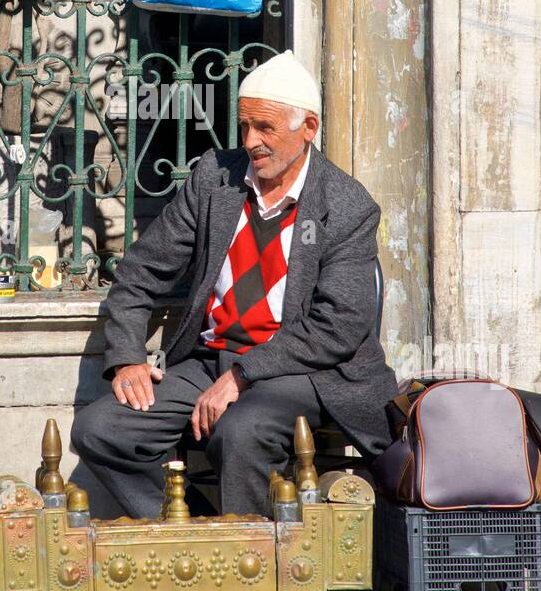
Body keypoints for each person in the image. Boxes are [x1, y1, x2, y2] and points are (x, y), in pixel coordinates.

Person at [71, 50, 399, 517]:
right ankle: (195, 533)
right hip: (209, 361)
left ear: (308, 128)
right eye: (244, 126)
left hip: (299, 371)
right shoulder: (214, 179)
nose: (251, 141)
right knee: (100, 429)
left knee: (241, 432)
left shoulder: (346, 205)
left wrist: (243, 375)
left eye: (265, 128)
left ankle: (255, 572)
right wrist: (127, 359)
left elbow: (340, 327)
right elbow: (140, 270)